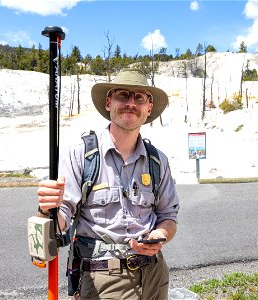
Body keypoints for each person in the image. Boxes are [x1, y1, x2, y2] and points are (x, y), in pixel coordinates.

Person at [37, 68, 180, 299]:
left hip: (155, 276)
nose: (131, 103)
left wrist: (159, 235)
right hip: (102, 280)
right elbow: (60, 220)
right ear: (108, 102)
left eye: (139, 98)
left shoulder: (158, 161)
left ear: (149, 108)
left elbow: (169, 217)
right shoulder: (81, 155)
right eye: (123, 95)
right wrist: (47, 209)